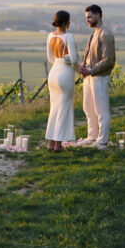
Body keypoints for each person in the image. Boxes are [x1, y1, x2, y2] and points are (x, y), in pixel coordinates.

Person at [78, 4, 115, 149]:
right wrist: (83, 66)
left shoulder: (105, 34)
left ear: (98, 15)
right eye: (86, 17)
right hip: (89, 76)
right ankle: (92, 136)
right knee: (88, 108)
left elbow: (108, 60)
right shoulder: (94, 33)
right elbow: (90, 57)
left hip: (99, 77)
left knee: (101, 110)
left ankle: (102, 141)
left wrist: (92, 71)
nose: (87, 20)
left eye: (90, 17)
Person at [44, 10, 78, 152]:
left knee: (54, 108)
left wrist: (60, 61)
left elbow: (50, 58)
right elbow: (74, 59)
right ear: (66, 22)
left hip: (53, 73)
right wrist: (74, 65)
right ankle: (58, 144)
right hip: (65, 73)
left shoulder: (50, 36)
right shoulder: (69, 37)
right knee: (64, 108)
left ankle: (50, 142)